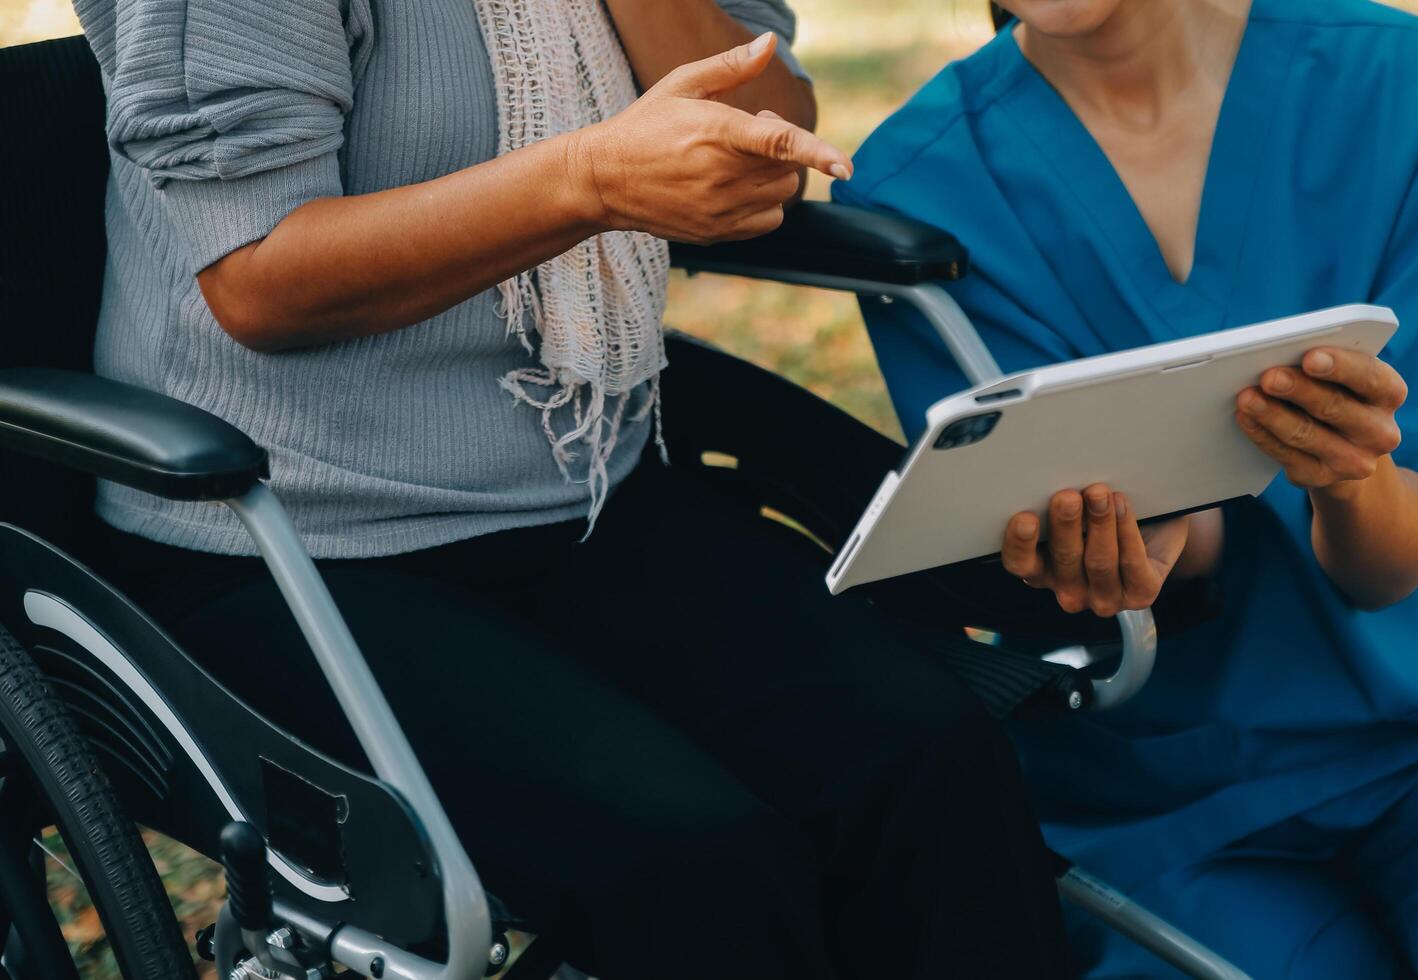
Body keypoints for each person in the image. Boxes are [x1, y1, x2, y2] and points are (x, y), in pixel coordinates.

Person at [73, 0, 1070, 976]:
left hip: (583, 483)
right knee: (693, 858)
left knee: (929, 751)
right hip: (295, 529)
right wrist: (587, 180)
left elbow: (766, 124)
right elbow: (255, 273)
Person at [835, 0, 1418, 975]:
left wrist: (1347, 476)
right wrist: (1147, 548)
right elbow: (1175, 549)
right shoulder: (916, 187)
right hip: (1159, 788)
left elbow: (1391, 566)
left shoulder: (1410, 90)